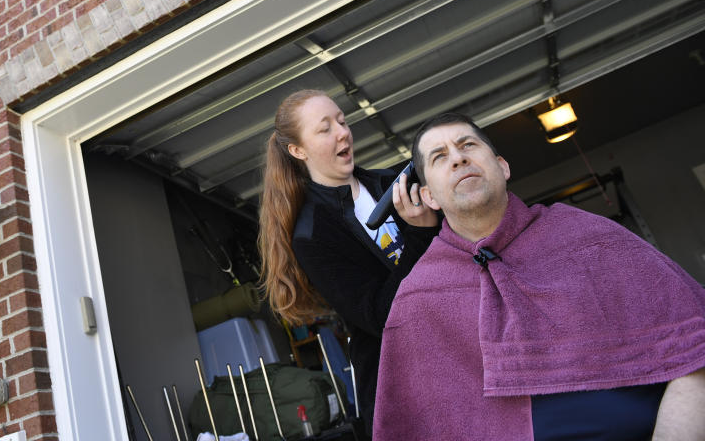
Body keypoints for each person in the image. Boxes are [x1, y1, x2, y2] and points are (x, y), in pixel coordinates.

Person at [373, 112, 705, 441]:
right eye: (440, 157)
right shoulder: (418, 298)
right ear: (429, 196)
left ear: (503, 167)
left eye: (467, 145)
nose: (458, 159)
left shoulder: (590, 236)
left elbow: (696, 343)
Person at [258, 89, 440, 436]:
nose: (342, 132)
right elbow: (379, 316)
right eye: (324, 129)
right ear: (298, 150)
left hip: (460, 350)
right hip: (406, 392)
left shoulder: (395, 182)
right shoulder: (313, 235)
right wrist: (420, 235)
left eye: (341, 121)